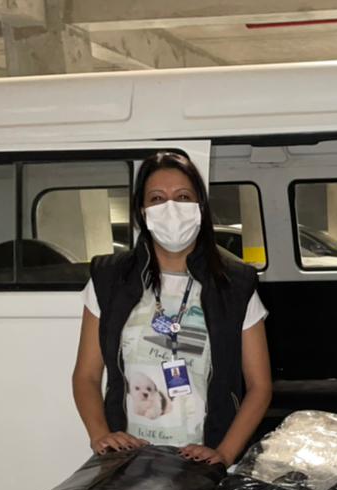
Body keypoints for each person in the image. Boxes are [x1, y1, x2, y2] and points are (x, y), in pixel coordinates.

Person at [72, 150, 273, 466]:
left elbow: (260, 386)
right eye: (157, 198)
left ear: (200, 207)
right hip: (128, 459)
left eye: (182, 197)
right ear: (142, 211)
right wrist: (100, 435)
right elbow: (86, 375)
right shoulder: (109, 279)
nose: (171, 208)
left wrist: (224, 453)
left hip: (202, 461)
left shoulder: (234, 284)